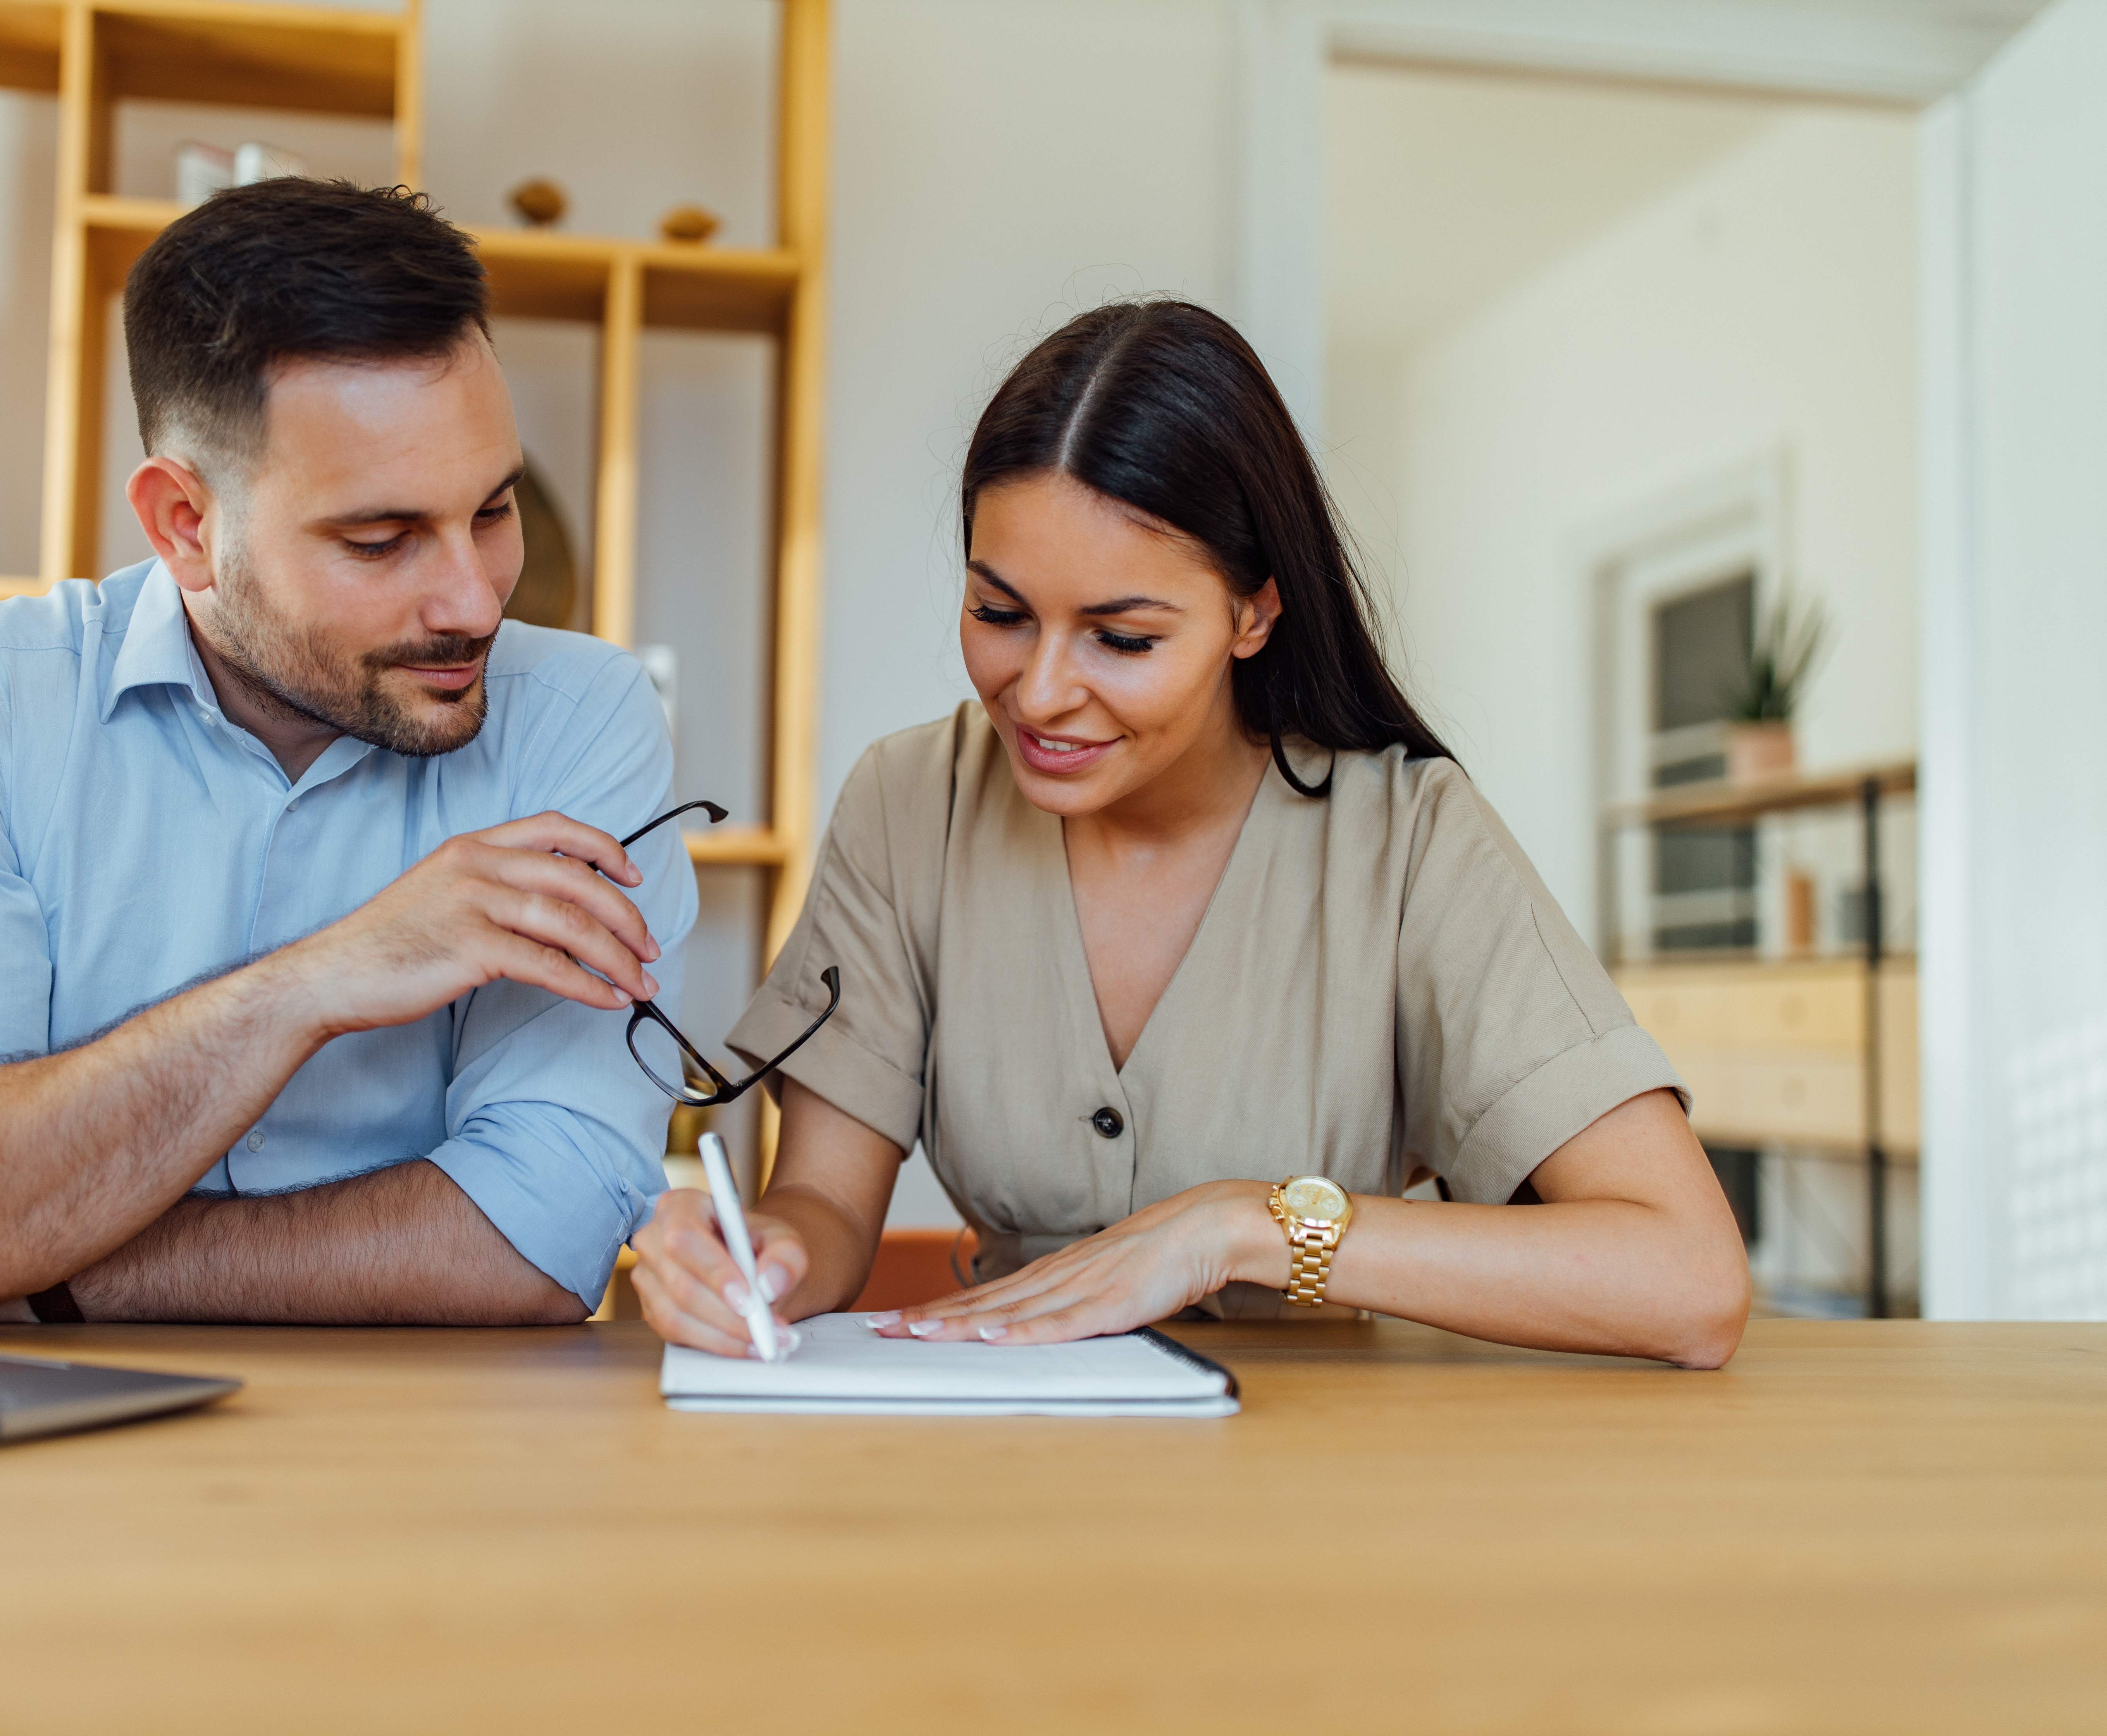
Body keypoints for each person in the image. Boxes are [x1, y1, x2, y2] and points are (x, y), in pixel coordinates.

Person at [630, 300, 1751, 1369]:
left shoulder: (1410, 841)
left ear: (1254, 613)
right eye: (999, 614)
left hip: (1316, 1493)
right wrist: (760, 1259)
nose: (1042, 692)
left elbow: (1690, 1278)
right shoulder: (908, 804)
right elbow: (822, 1202)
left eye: (1121, 638)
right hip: (1010, 1464)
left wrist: (1240, 1228)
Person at [0, 180, 695, 1336]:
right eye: (382, 538)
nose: (473, 598)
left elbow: (541, 1242)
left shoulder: (579, 719)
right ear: (184, 527)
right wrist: (316, 983)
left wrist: (44, 1271)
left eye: (494, 511)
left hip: (421, 1455)